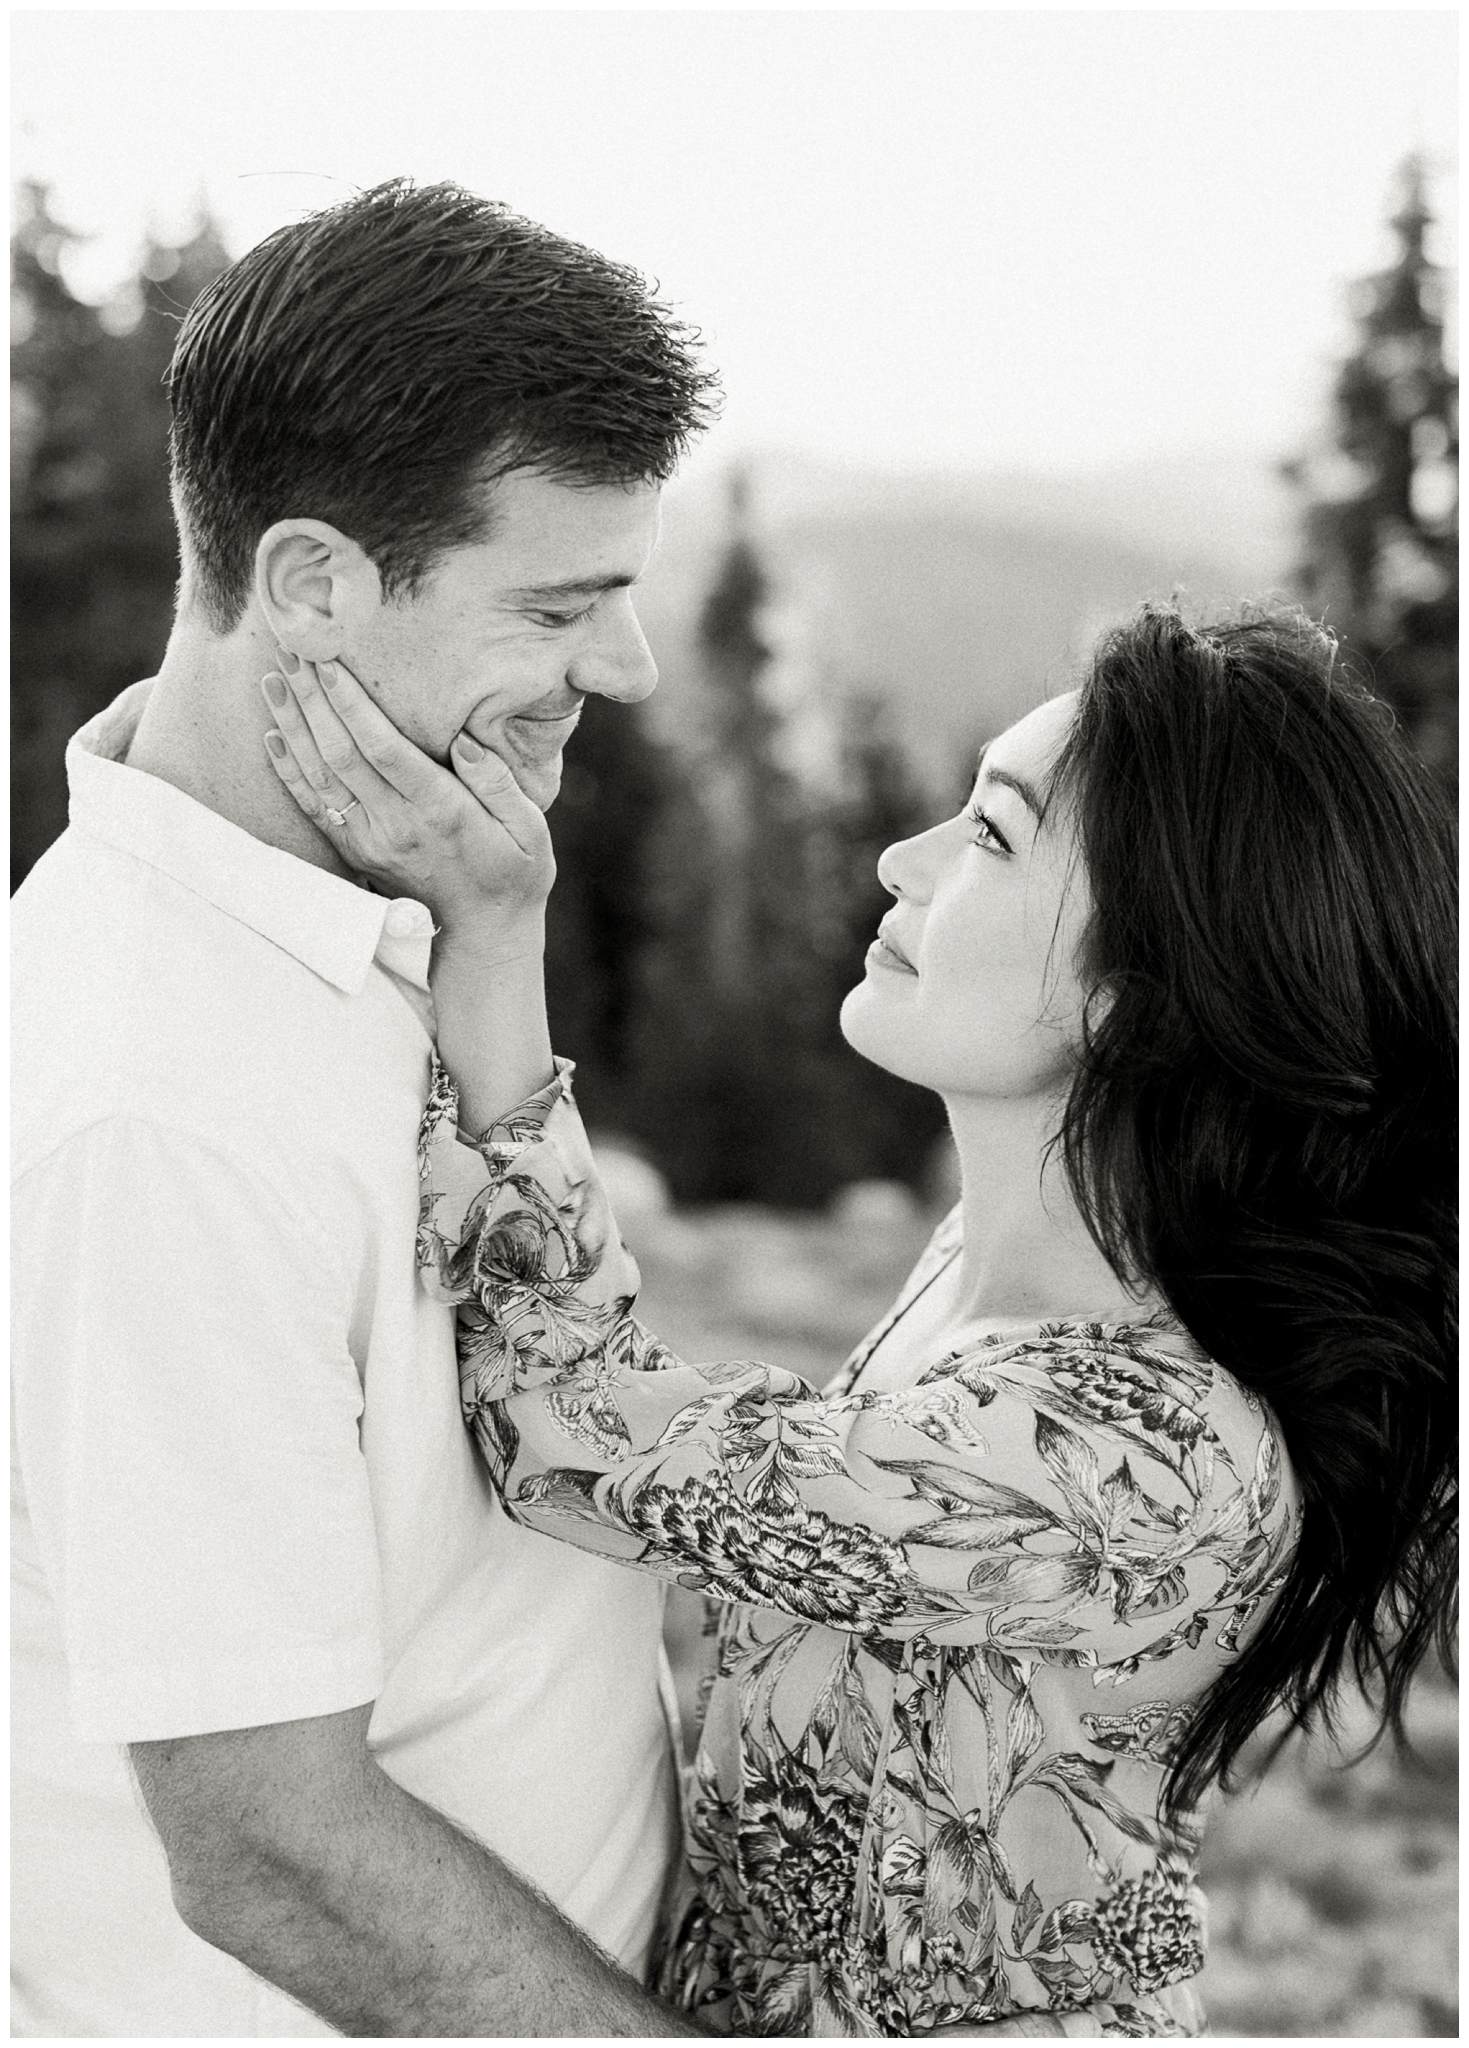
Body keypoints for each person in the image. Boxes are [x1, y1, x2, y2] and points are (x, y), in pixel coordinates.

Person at [261, 604, 1456, 2036]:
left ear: (1134, 1002)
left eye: (994, 836)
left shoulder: (1122, 1455)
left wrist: (494, 930)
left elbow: (568, 1432)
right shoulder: (987, 1268)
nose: (904, 860)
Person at [10, 178, 725, 2037]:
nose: (624, 670)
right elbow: (265, 1841)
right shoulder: (155, 1102)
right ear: (315, 585)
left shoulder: (384, 899)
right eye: (561, 604)